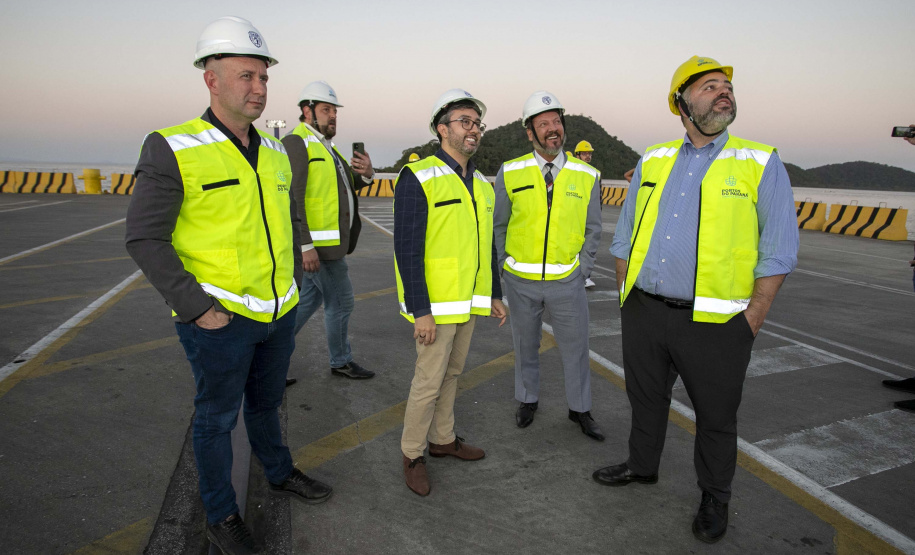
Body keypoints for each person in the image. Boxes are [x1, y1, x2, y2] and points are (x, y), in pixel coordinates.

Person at [125, 17, 332, 555]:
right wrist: (197, 309)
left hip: (277, 312)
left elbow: (285, 223)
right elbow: (145, 238)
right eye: (246, 76)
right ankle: (221, 514)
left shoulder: (276, 151)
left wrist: (287, 287)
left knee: (265, 407)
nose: (259, 89)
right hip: (218, 321)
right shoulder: (173, 147)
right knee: (216, 419)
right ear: (210, 79)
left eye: (264, 78)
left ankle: (280, 472)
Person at [594, 56, 799, 544]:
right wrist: (628, 293)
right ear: (681, 103)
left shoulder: (760, 161)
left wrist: (752, 318)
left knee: (715, 416)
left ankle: (715, 497)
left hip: (717, 322)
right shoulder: (654, 158)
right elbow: (624, 235)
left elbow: (778, 251)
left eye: (727, 86)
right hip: (645, 309)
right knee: (645, 398)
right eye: (710, 86)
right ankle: (642, 467)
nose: (723, 92)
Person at [394, 89, 507, 496]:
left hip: (468, 303)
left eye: (477, 123)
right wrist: (419, 310)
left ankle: (443, 440)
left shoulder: (481, 182)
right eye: (464, 122)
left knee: (453, 374)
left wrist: (494, 292)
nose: (473, 129)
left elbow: (486, 244)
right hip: (435, 307)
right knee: (428, 380)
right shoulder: (419, 176)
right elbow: (406, 248)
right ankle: (412, 454)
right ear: (442, 129)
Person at [493, 91, 604, 441]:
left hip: (566, 282)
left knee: (576, 348)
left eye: (556, 122)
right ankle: (528, 400)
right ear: (530, 132)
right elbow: (499, 225)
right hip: (521, 281)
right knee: (526, 346)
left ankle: (580, 409)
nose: (552, 129)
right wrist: (504, 267)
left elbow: (593, 229)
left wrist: (581, 270)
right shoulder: (510, 171)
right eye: (543, 124)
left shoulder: (587, 174)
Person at [282, 81, 375, 380]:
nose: (332, 116)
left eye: (334, 111)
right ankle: (340, 361)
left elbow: (346, 188)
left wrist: (367, 174)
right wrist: (305, 245)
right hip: (319, 249)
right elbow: (293, 197)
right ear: (307, 111)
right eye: (326, 110)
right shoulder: (298, 143)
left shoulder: (326, 147)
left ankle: (267, 359)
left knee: (308, 302)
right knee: (342, 302)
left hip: (331, 246)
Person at [573, 140, 599, 288]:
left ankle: (585, 275)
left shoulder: (593, 173)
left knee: (588, 246)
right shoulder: (572, 172)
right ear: (578, 155)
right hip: (576, 216)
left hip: (588, 217)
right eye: (584, 153)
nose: (587, 156)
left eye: (589, 153)